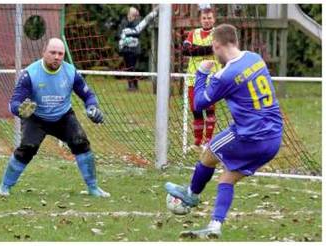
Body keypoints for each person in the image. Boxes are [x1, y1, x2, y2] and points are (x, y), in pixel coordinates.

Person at [165, 24, 283, 239]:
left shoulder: (226, 75)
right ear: (235, 41)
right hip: (273, 138)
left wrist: (202, 74)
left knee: (209, 152)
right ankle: (214, 227)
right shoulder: (255, 58)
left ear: (216, 45)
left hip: (250, 136)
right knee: (226, 179)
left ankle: (190, 194)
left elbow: (199, 103)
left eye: (213, 47)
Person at [0, 38, 110, 198]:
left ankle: (93, 188)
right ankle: (4, 186)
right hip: (36, 118)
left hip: (63, 116)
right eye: (53, 52)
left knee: (81, 142)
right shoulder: (30, 74)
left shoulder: (70, 72)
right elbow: (13, 102)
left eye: (60, 53)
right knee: (27, 148)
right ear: (44, 53)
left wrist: (92, 107)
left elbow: (88, 95)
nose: (57, 57)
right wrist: (20, 110)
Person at [183, 5, 221, 146]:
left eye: (209, 18)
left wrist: (196, 49)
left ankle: (209, 140)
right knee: (196, 110)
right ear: (200, 19)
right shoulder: (193, 33)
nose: (206, 20)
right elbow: (186, 50)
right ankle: (197, 141)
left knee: (210, 110)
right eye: (204, 18)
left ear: (214, 19)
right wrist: (205, 50)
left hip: (211, 78)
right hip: (193, 77)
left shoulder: (218, 33)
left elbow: (214, 49)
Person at [118, 7, 141, 91]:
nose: (129, 15)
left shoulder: (137, 23)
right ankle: (130, 84)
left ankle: (134, 84)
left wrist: (128, 35)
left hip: (134, 49)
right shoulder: (123, 22)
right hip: (126, 49)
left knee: (133, 67)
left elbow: (137, 33)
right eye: (129, 13)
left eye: (132, 14)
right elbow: (120, 33)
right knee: (128, 67)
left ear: (134, 15)